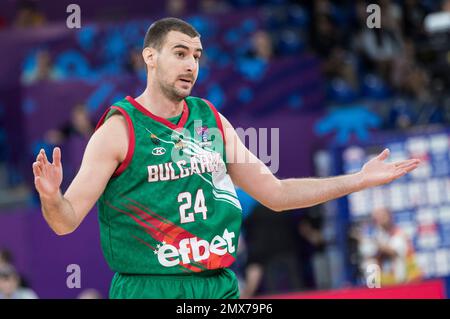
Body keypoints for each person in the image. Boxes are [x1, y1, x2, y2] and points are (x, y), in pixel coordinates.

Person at [31, 17, 421, 299]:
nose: (190, 65)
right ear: (149, 57)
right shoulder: (118, 130)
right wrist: (52, 197)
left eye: (196, 56)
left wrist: (360, 179)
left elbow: (277, 193)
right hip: (150, 287)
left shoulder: (211, 119)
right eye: (180, 53)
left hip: (218, 286)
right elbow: (66, 223)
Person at [358, 207, 422, 286]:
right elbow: (370, 253)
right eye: (377, 217)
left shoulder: (399, 233)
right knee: (369, 264)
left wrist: (375, 244)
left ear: (390, 216)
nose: (380, 219)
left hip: (408, 279)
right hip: (387, 281)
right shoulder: (378, 234)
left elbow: (393, 252)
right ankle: (374, 289)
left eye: (383, 216)